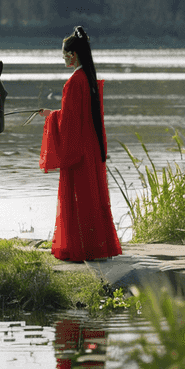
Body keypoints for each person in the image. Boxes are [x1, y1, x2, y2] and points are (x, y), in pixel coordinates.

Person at [39, 26, 122, 262]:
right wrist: (56, 113)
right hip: (91, 148)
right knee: (92, 198)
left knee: (79, 199)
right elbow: (79, 117)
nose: (62, 57)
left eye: (64, 53)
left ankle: (80, 249)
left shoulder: (74, 82)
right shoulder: (89, 79)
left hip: (79, 152)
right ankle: (96, 247)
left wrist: (51, 116)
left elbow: (69, 122)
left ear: (72, 54)